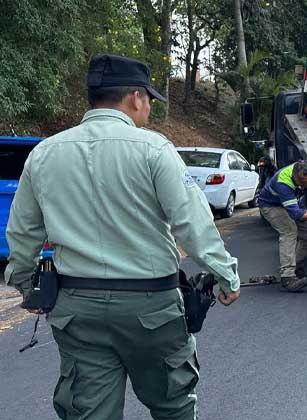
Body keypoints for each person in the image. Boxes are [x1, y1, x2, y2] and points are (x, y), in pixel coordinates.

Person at [4, 54, 241, 420]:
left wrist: (25, 284)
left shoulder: (44, 154)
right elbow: (192, 223)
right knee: (173, 406)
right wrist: (227, 275)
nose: (148, 108)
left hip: (76, 309)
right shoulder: (154, 150)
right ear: (135, 97)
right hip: (151, 308)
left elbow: (22, 233)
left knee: (90, 412)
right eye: (149, 100)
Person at [256, 160, 307, 292]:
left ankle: (296, 267)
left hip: (293, 202)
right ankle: (288, 278)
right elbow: (297, 214)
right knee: (289, 231)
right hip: (272, 206)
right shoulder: (283, 183)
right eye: (303, 183)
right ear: (294, 176)